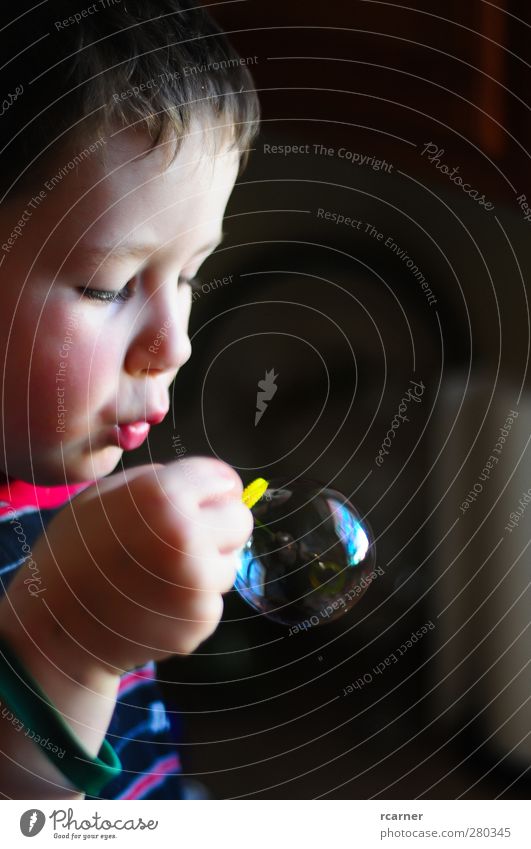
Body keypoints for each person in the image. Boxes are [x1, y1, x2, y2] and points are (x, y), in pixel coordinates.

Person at [0, 0, 259, 799]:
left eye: (188, 275)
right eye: (105, 286)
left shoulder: (77, 484)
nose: (175, 342)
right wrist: (65, 646)